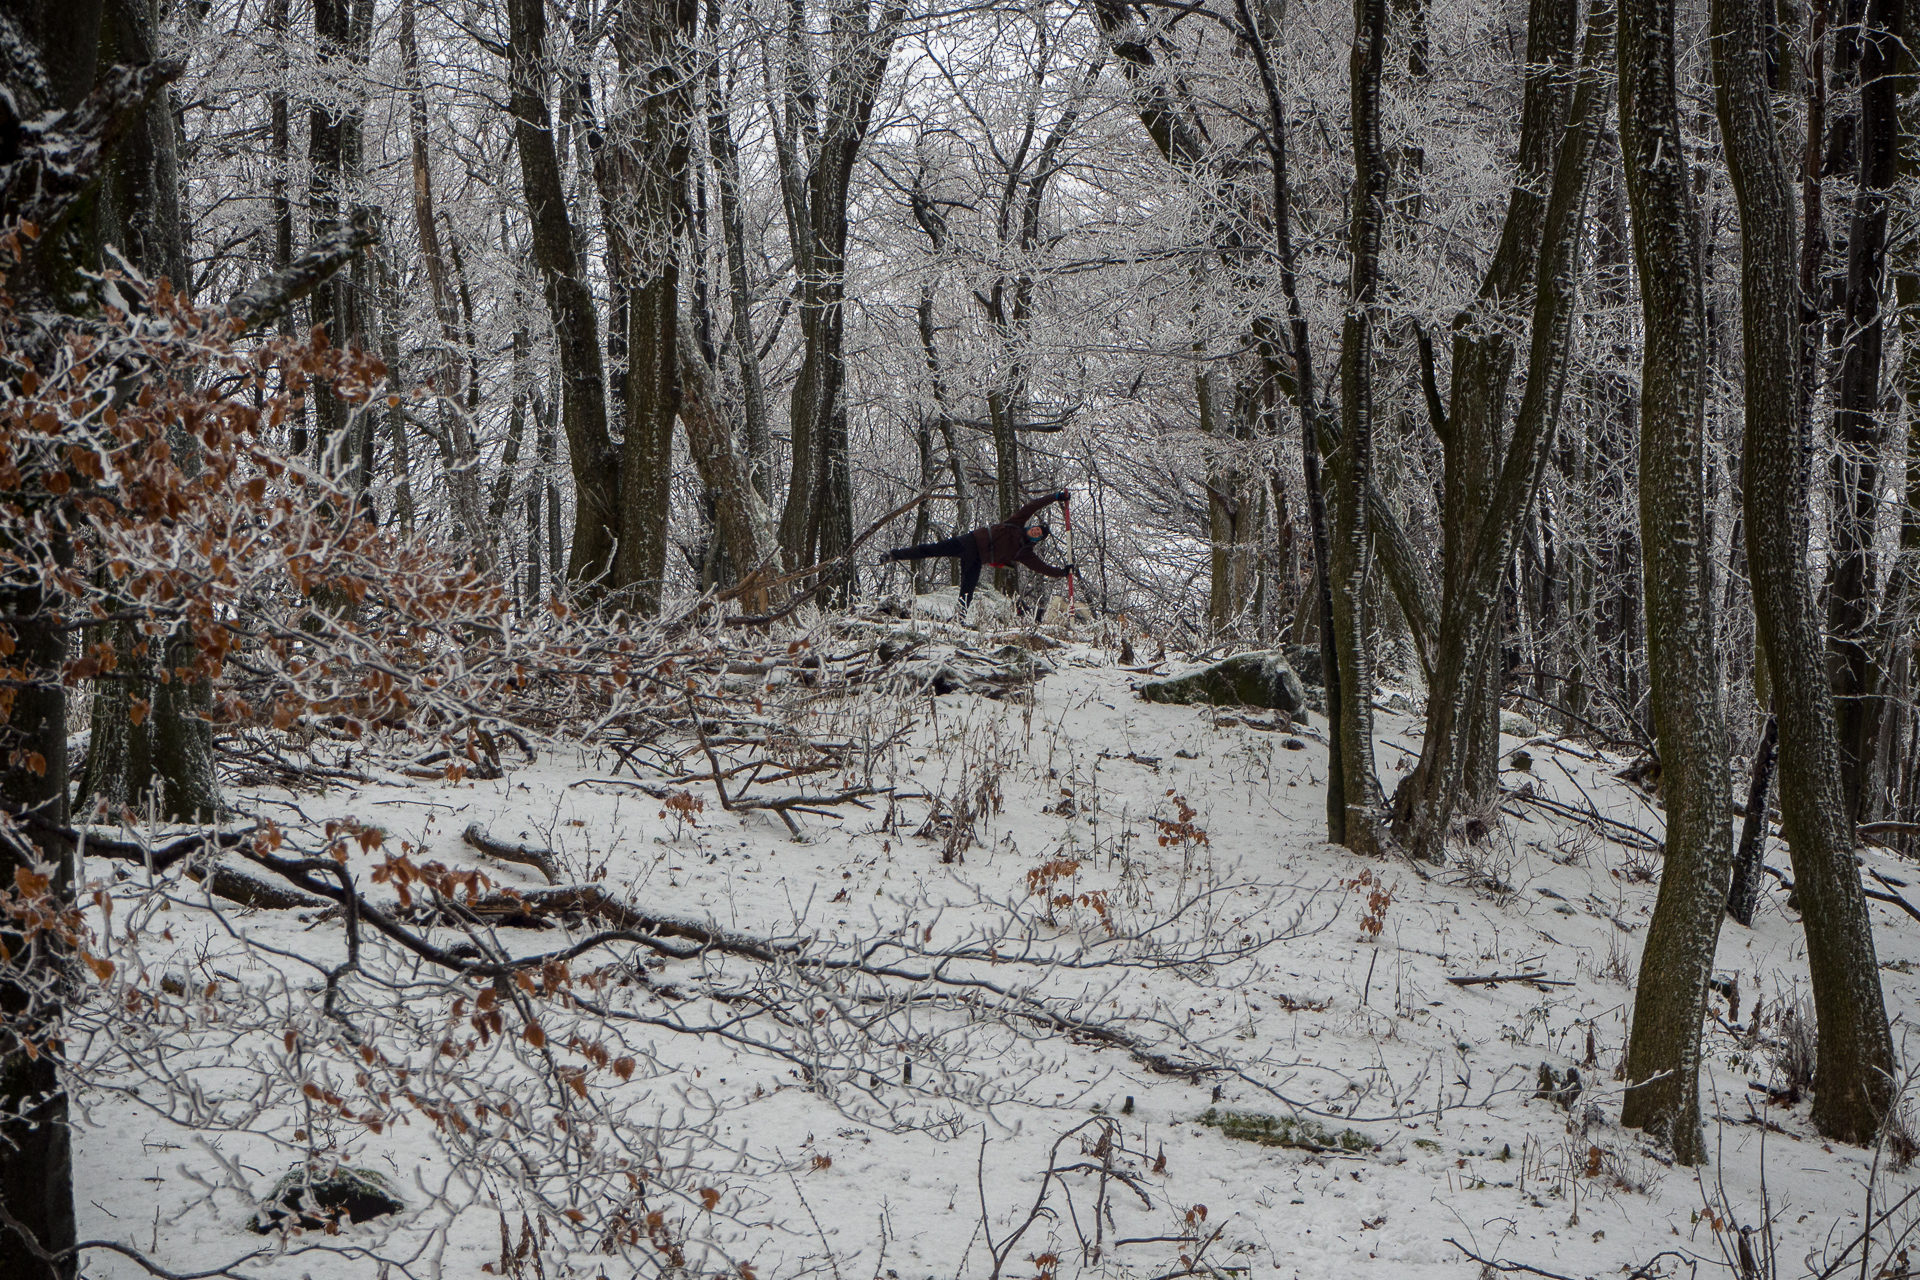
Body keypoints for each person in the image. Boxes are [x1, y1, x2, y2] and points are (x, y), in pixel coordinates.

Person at [884, 490, 1073, 608]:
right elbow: (1033, 506)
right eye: (1036, 527)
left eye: (1038, 533)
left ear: (1037, 538)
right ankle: (894, 555)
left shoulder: (1025, 553)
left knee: (968, 589)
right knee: (931, 549)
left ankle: (959, 620)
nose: (1035, 530)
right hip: (970, 541)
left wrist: (1063, 572)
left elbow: (1042, 568)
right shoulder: (1016, 523)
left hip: (977, 558)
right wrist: (1055, 497)